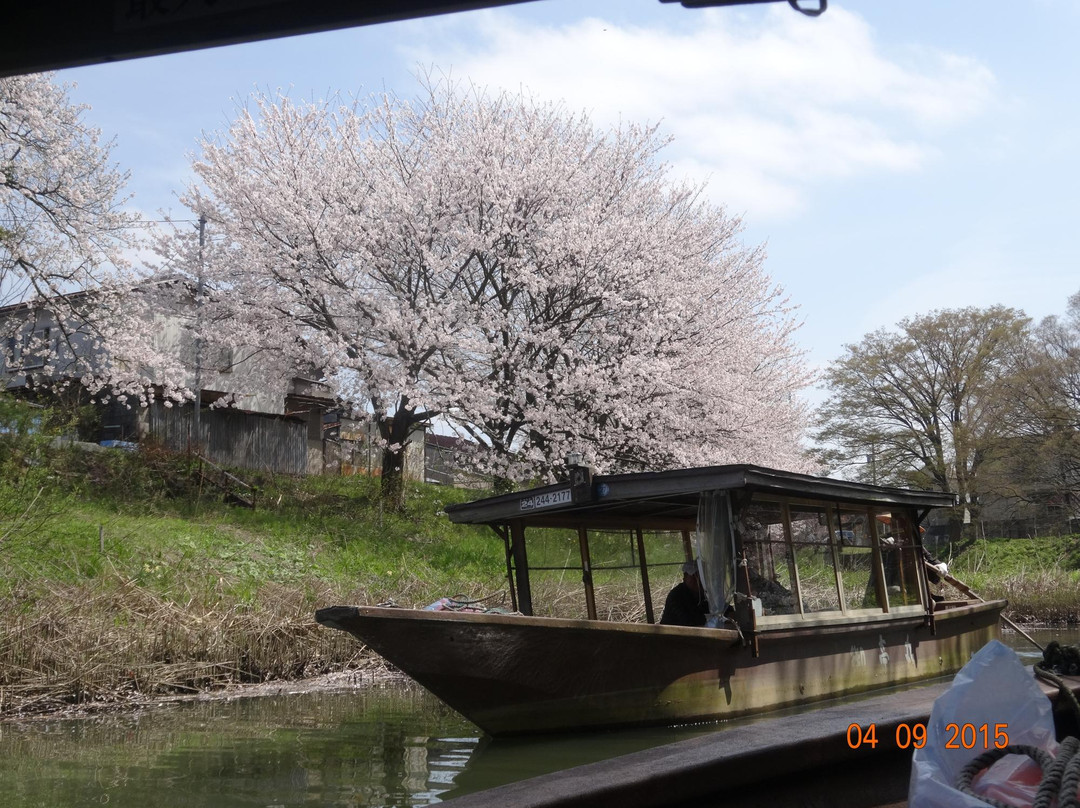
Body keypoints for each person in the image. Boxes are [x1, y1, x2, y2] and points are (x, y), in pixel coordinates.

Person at [659, 559, 709, 626]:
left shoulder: (704, 593)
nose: (697, 580)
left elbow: (717, 607)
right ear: (685, 577)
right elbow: (687, 620)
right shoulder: (676, 595)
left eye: (700, 577)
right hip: (674, 633)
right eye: (693, 576)